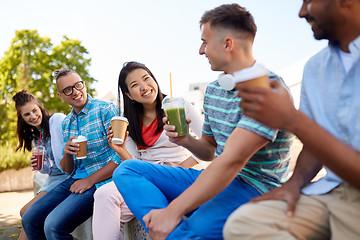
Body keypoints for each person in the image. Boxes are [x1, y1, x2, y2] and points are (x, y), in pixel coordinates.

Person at [113, 4, 294, 240]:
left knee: (191, 230)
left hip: (255, 188)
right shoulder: (214, 90)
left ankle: (176, 230)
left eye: (205, 42)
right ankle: (172, 231)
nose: (200, 50)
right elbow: (209, 150)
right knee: (128, 170)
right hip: (217, 178)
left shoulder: (269, 90)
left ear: (227, 44)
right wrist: (186, 139)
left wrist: (172, 211)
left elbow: (232, 161)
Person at [223, 0, 360, 239]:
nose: (301, 12)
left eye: (309, 1)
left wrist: (291, 119)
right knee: (243, 224)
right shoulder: (316, 67)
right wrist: (293, 185)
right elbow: (316, 146)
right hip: (333, 190)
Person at [92, 61, 203, 240]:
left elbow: (210, 143)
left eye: (146, 79)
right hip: (142, 177)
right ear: (129, 94)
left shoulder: (177, 105)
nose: (144, 87)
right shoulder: (129, 120)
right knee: (104, 196)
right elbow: (132, 164)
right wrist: (119, 149)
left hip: (173, 175)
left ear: (154, 80)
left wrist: (180, 166)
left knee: (109, 201)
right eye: (135, 85)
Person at [21, 68, 122, 240]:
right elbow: (68, 169)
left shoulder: (106, 110)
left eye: (78, 85)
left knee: (53, 226)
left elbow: (120, 157)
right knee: (29, 218)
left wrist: (89, 180)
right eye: (68, 89)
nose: (75, 92)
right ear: (61, 95)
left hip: (101, 181)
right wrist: (67, 153)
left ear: (84, 84)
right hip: (74, 179)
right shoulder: (67, 122)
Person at [12, 90, 69, 240]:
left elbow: (64, 159)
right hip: (52, 179)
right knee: (26, 215)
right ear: (22, 118)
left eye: (34, 110)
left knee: (26, 213)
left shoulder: (56, 120)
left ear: (40, 107)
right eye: (26, 114)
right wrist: (40, 165)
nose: (32, 116)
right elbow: (47, 170)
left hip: (67, 176)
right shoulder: (35, 137)